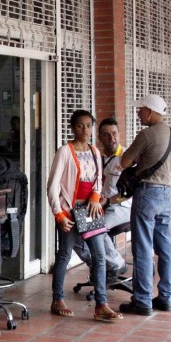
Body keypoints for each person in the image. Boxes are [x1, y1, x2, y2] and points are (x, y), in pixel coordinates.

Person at [46, 109, 123, 321]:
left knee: (99, 256)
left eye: (89, 125)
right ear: (72, 128)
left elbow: (98, 180)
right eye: (80, 125)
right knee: (64, 255)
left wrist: (96, 197)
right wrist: (59, 213)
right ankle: (57, 299)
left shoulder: (95, 152)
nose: (85, 129)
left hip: (90, 211)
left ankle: (101, 305)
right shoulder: (64, 151)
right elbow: (52, 186)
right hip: (69, 212)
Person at [118, 94, 171, 316]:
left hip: (147, 194)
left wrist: (137, 160)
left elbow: (124, 161)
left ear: (152, 112)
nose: (138, 113)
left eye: (141, 109)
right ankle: (166, 297)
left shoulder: (146, 134)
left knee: (142, 247)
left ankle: (142, 300)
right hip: (166, 195)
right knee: (164, 248)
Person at [73, 118, 130, 281]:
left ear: (119, 134)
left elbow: (131, 191)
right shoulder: (96, 157)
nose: (111, 139)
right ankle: (98, 266)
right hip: (98, 206)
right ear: (100, 138)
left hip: (121, 207)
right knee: (75, 231)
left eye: (114, 134)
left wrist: (109, 201)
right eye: (106, 135)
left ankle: (118, 264)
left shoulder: (126, 158)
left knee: (96, 227)